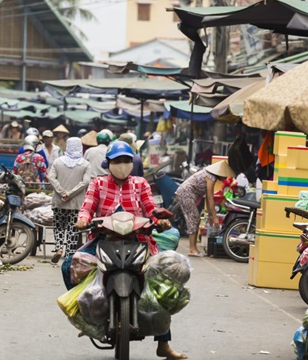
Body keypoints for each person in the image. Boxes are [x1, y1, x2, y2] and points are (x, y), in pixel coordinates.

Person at [75, 141, 182, 360]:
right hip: (103, 238)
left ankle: (164, 343)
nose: (122, 165)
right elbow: (87, 206)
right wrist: (84, 219)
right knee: (72, 265)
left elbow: (150, 208)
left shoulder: (141, 183)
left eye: (126, 160)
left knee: (160, 285)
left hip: (138, 239)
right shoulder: (98, 183)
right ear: (109, 163)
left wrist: (159, 220)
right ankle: (86, 317)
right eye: (117, 161)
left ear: (131, 163)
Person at [172, 160, 235, 257]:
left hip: (187, 193)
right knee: (193, 218)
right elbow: (210, 198)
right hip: (186, 193)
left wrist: (210, 215)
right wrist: (215, 218)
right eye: (225, 175)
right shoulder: (210, 177)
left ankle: (194, 248)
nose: (226, 178)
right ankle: (192, 249)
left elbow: (207, 198)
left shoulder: (209, 175)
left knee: (195, 219)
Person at [48, 137, 91, 264]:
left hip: (59, 202)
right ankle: (69, 255)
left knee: (59, 226)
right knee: (73, 229)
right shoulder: (85, 164)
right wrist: (71, 194)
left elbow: (51, 177)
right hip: (76, 203)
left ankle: (59, 247)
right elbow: (86, 182)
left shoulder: (58, 162)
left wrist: (62, 192)